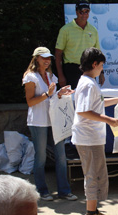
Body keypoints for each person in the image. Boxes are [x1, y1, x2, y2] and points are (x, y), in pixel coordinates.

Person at [71, 47, 118, 215]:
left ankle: (93, 210)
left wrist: (117, 100)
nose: (102, 68)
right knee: (92, 174)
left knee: (96, 173)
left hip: (92, 137)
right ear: (94, 64)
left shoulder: (89, 82)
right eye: (101, 65)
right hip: (87, 138)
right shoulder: (87, 84)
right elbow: (83, 111)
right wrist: (109, 120)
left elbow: (98, 104)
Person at [22, 47, 77, 201]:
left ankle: (64, 191)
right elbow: (30, 101)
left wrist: (59, 93)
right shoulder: (30, 77)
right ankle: (41, 191)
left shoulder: (50, 76)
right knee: (41, 158)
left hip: (54, 120)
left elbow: (52, 100)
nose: (47, 61)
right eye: (43, 58)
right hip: (38, 121)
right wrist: (49, 93)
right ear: (36, 58)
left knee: (61, 156)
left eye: (49, 58)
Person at [55, 0, 104, 89]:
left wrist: (101, 73)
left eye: (87, 12)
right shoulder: (65, 30)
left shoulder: (93, 30)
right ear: (76, 12)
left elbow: (98, 54)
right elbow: (58, 54)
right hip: (71, 70)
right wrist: (60, 75)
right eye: (81, 12)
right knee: (72, 100)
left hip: (90, 69)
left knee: (89, 99)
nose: (84, 15)